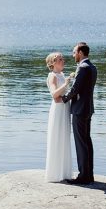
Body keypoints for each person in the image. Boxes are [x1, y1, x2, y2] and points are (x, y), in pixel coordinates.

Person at [61, 42, 97, 184]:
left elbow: (76, 88)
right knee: (87, 141)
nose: (73, 54)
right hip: (87, 108)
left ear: (81, 53)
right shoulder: (92, 67)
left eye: (74, 52)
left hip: (80, 110)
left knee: (81, 143)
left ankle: (83, 176)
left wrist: (64, 99)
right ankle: (89, 175)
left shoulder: (82, 67)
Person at [44, 52, 73, 182]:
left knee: (64, 138)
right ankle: (54, 174)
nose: (63, 61)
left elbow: (64, 94)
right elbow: (54, 94)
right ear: (53, 63)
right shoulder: (52, 76)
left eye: (63, 59)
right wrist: (66, 83)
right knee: (57, 138)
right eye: (60, 59)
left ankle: (64, 173)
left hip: (65, 109)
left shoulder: (61, 74)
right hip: (58, 110)